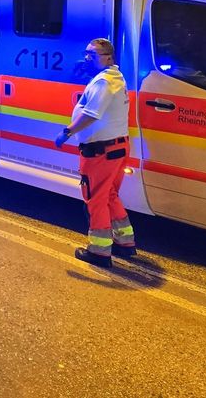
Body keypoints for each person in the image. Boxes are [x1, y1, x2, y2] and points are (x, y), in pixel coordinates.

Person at [54, 37, 135, 267]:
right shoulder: (115, 77)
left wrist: (67, 132)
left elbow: (91, 114)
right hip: (117, 147)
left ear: (108, 57)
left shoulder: (103, 82)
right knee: (109, 195)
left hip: (101, 151)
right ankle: (125, 242)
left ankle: (99, 252)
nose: (87, 58)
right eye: (86, 53)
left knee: (96, 199)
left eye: (92, 54)